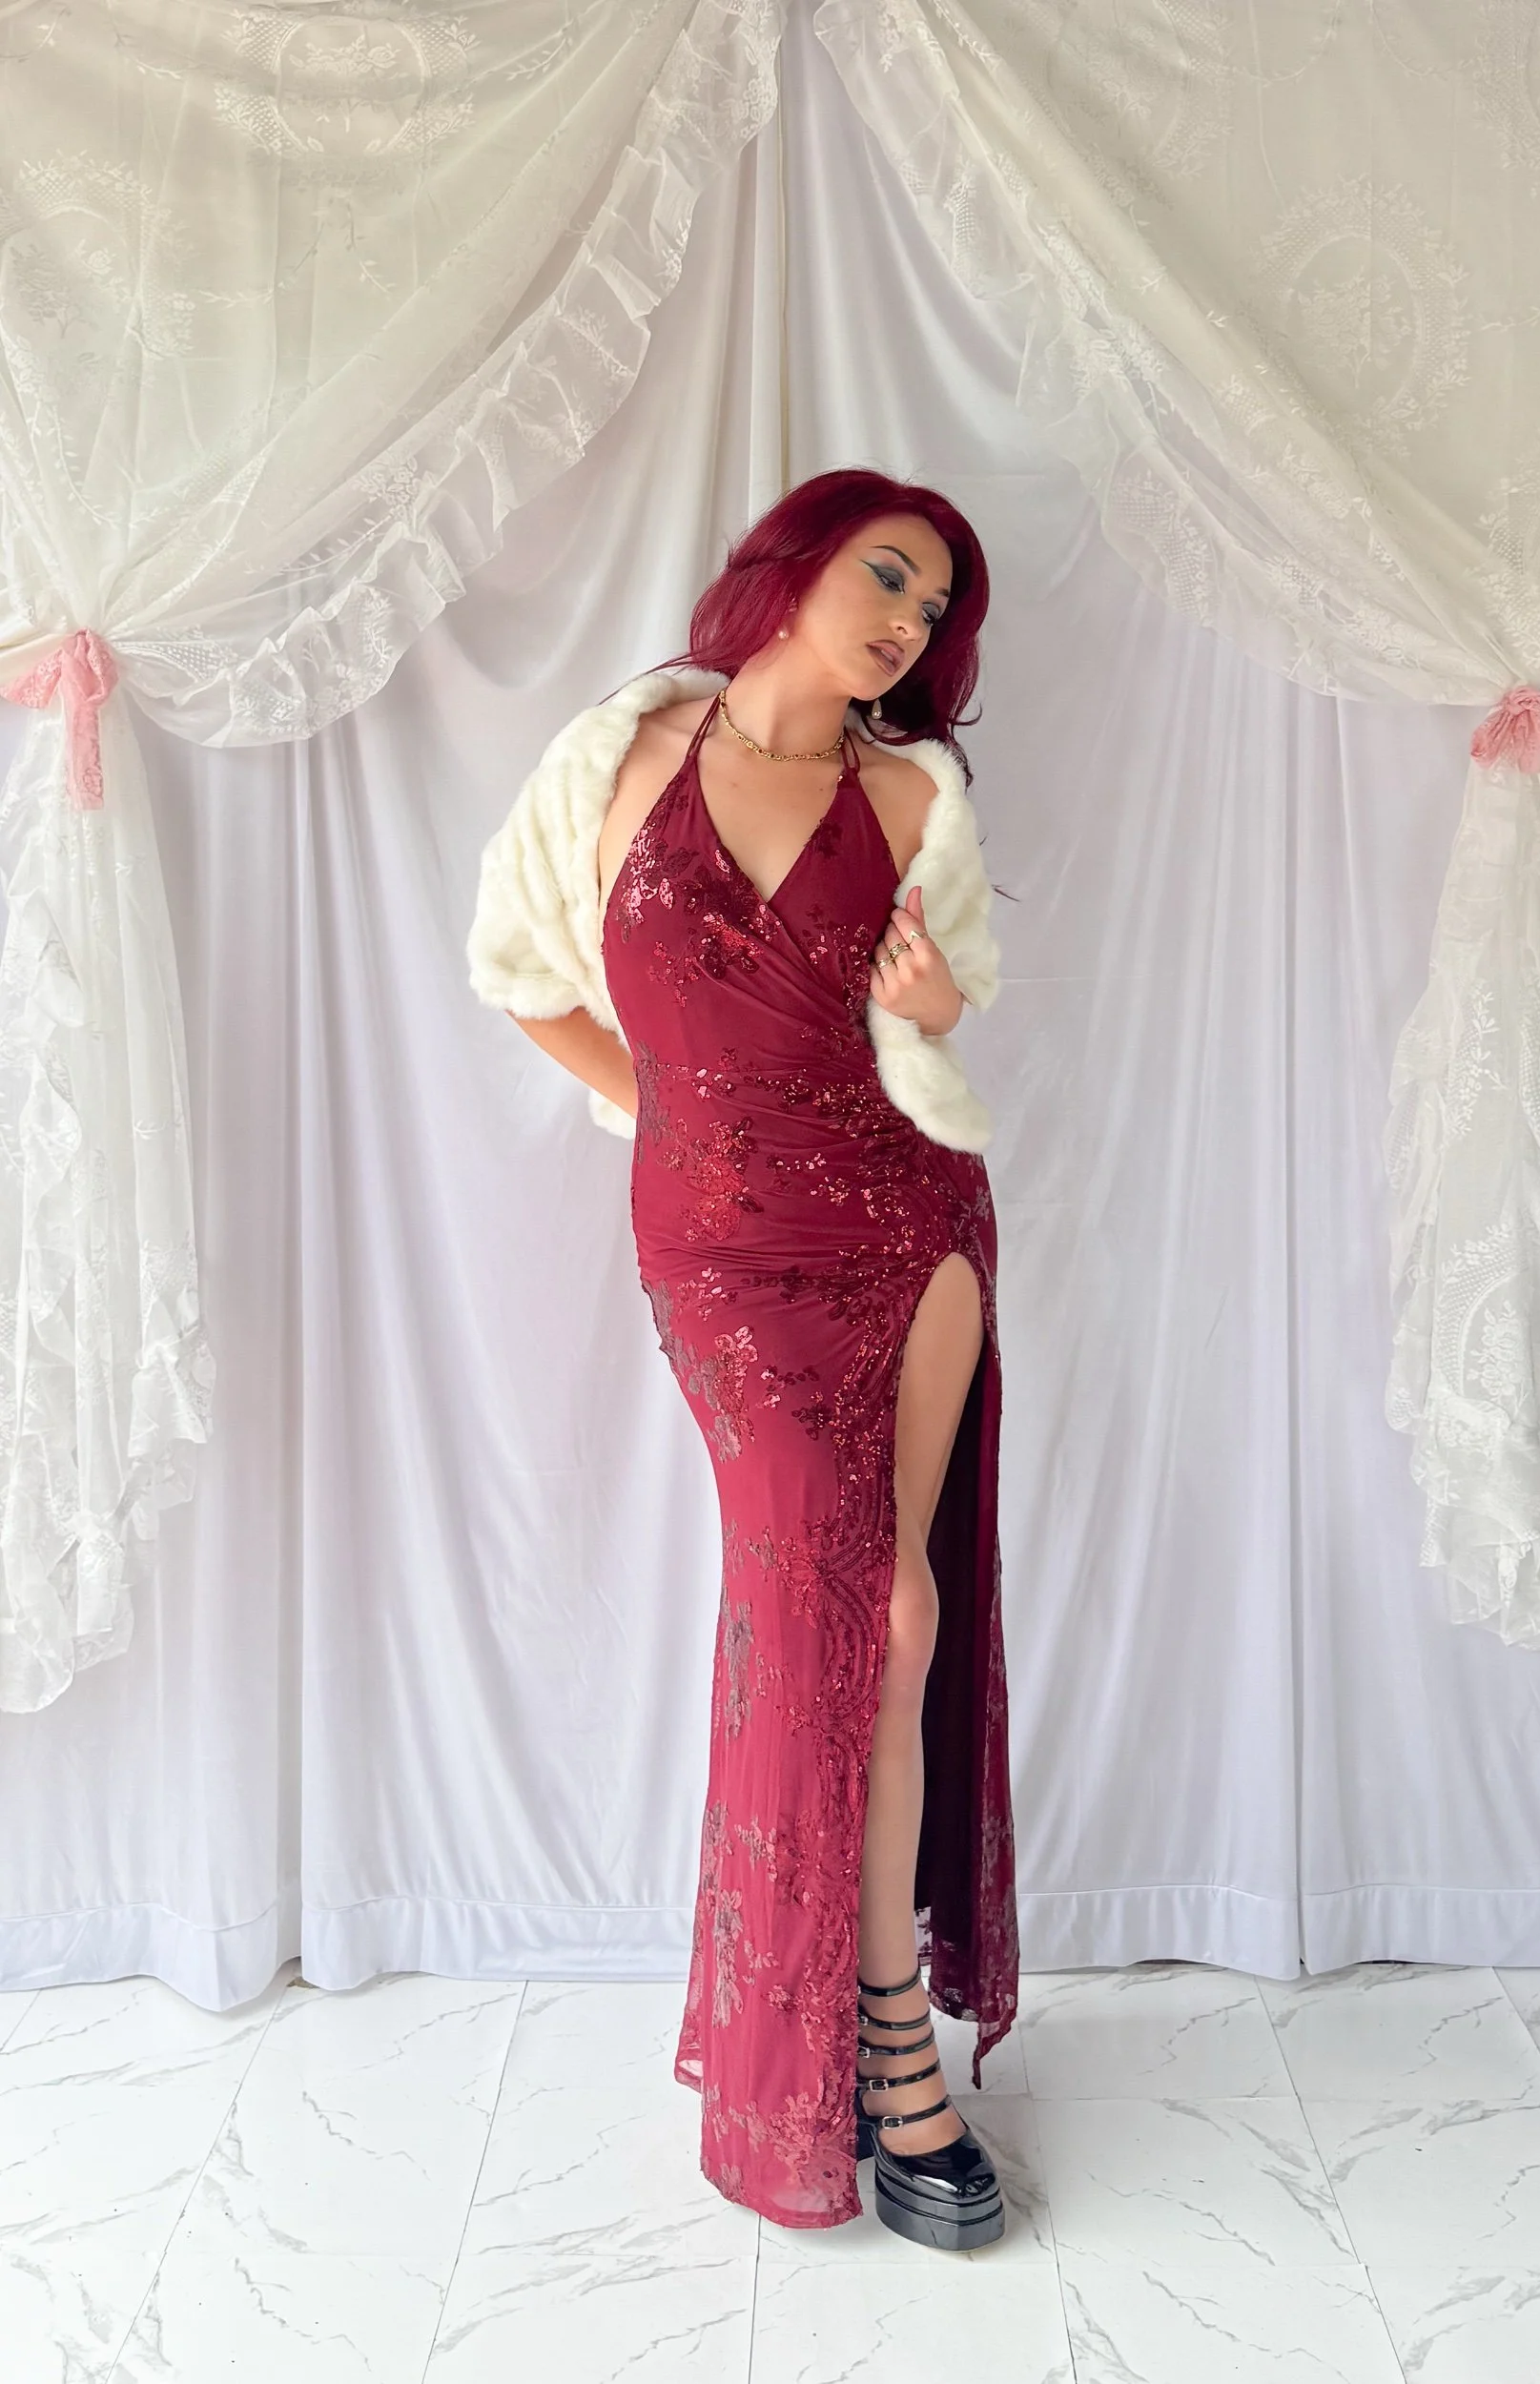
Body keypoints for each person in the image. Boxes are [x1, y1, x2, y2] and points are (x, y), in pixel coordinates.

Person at [466, 468, 1017, 2248]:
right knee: (820, 1611)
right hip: (725, 1253)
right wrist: (682, 1125)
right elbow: (520, 975)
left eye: (933, 609)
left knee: (900, 1615)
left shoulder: (914, 794)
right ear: (793, 564)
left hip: (905, 1215)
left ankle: (886, 2030)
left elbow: (950, 994)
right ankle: (838, 2031)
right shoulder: (618, 761)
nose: (907, 623)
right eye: (887, 576)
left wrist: (930, 1006)